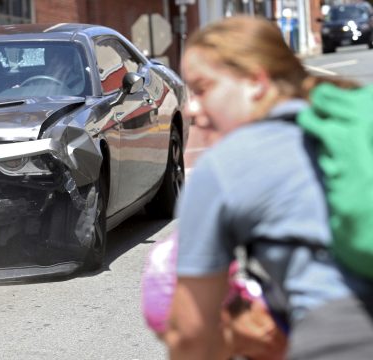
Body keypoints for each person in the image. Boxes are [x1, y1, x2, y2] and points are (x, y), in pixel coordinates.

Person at [160, 16, 373, 359]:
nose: (193, 110)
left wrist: (228, 341)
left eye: (202, 89)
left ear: (256, 83)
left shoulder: (225, 167)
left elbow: (191, 334)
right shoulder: (352, 125)